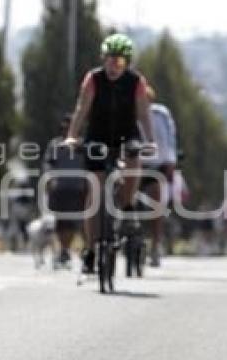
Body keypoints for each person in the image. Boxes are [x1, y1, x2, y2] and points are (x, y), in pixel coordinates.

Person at [63, 33, 156, 275]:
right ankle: (91, 250)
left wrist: (151, 140)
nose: (114, 66)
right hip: (98, 135)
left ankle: (126, 204)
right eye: (110, 60)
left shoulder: (136, 82)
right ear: (103, 59)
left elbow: (144, 114)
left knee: (134, 158)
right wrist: (72, 136)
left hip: (127, 134)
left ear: (128, 63)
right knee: (94, 193)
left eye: (120, 62)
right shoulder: (93, 79)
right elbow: (81, 109)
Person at [137, 89, 178, 267]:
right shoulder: (128, 113)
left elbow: (170, 139)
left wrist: (170, 161)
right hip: (134, 163)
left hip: (156, 165)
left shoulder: (161, 114)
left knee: (157, 203)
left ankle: (155, 245)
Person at [42, 113, 87, 268]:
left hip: (79, 188)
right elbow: (48, 164)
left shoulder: (83, 146)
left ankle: (82, 249)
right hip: (60, 188)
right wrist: (49, 179)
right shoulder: (56, 145)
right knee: (62, 222)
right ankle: (64, 250)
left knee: (77, 222)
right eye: (65, 126)